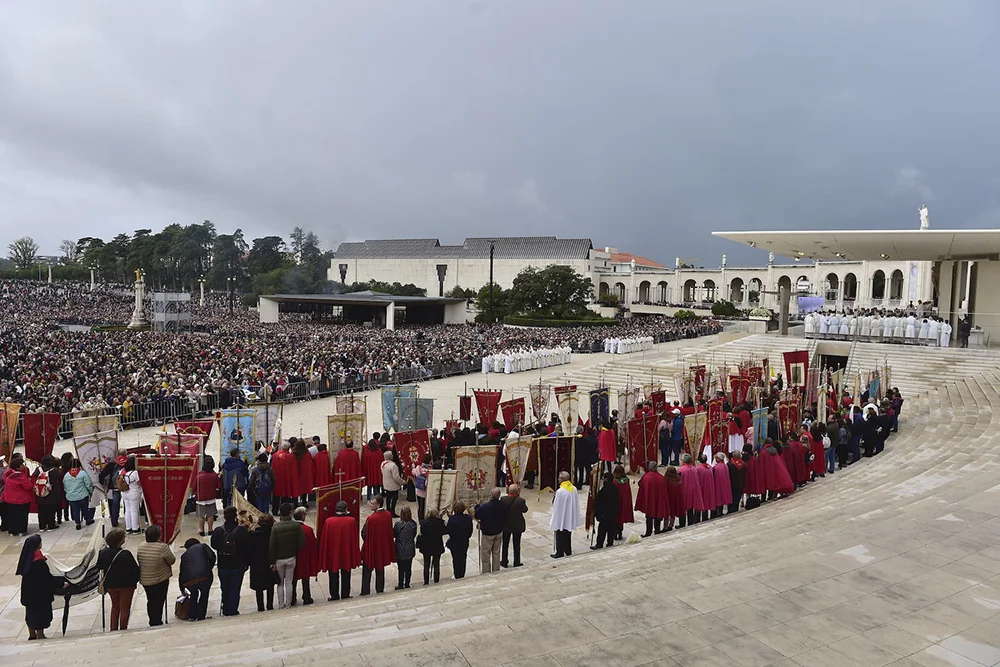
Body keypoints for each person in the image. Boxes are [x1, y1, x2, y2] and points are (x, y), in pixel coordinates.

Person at [17, 535, 62, 640]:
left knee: (31, 615)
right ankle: (40, 635)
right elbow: (46, 579)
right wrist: (61, 583)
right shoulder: (39, 562)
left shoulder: (27, 559)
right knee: (40, 616)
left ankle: (32, 635)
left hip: (29, 594)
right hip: (40, 595)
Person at [96, 528, 140, 631]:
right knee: (125, 607)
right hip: (126, 585)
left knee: (115, 606)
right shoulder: (125, 554)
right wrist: (134, 581)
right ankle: (123, 628)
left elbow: (99, 566)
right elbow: (135, 570)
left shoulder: (103, 553)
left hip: (111, 585)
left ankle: (113, 628)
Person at [210, 505, 250, 617]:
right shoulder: (242, 530)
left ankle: (226, 608)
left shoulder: (218, 531)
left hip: (223, 564)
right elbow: (247, 547)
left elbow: (213, 544)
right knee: (235, 589)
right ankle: (232, 610)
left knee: (225, 588)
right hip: (238, 564)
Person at [319, 500, 361, 600]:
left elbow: (325, 538)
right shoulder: (351, 521)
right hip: (346, 552)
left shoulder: (329, 521)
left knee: (333, 574)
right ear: (346, 510)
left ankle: (334, 595)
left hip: (332, 552)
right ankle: (345, 594)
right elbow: (354, 538)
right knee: (346, 574)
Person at [136, 524, 174, 626]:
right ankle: (157, 621)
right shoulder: (162, 547)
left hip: (146, 579)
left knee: (151, 600)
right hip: (160, 578)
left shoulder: (141, 546)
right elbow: (172, 560)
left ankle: (152, 619)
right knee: (159, 601)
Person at [269, 502, 304, 609]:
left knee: (280, 583)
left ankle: (281, 604)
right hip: (291, 557)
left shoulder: (275, 528)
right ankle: (288, 604)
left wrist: (272, 561)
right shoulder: (296, 525)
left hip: (279, 559)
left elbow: (272, 546)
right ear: (290, 512)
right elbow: (302, 543)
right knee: (289, 582)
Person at [361, 495, 395, 595]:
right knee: (380, 569)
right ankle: (379, 590)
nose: (370, 505)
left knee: (367, 571)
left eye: (372, 503)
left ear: (378, 505)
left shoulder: (371, 518)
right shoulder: (388, 514)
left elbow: (364, 533)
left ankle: (365, 591)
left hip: (371, 547)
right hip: (382, 547)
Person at [179, 537, 215, 621]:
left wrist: (182, 587)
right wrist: (209, 568)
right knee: (204, 595)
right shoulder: (203, 546)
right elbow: (212, 557)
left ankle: (192, 615)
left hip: (190, 580)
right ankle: (201, 615)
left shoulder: (184, 556)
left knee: (193, 595)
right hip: (205, 576)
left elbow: (182, 572)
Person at [474, 487, 507, 573]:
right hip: (498, 531)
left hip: (487, 533)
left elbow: (477, 515)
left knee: (486, 553)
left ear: (491, 496)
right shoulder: (503, 505)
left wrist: (477, 505)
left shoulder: (485, 507)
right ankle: (496, 570)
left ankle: (486, 571)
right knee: (496, 553)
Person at [249, 515, 277, 611]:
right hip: (269, 562)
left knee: (259, 588)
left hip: (256, 563)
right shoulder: (272, 534)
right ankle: (270, 605)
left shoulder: (253, 535)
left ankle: (260, 607)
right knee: (270, 585)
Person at [291, 506, 318, 606]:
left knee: (293, 579)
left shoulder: (291, 529)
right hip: (304, 557)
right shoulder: (308, 530)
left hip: (293, 556)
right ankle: (306, 597)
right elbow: (312, 544)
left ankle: (292, 598)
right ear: (302, 516)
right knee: (305, 579)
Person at [635, 461, 670, 537]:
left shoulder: (646, 477)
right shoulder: (661, 478)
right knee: (658, 515)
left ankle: (648, 532)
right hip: (658, 500)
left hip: (649, 499)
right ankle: (657, 530)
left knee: (649, 517)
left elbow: (640, 484)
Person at [550, 472, 580, 558]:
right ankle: (568, 550)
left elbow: (556, 505)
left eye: (559, 478)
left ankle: (559, 552)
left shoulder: (560, 491)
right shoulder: (573, 488)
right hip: (569, 515)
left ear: (563, 479)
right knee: (567, 534)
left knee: (560, 534)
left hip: (561, 516)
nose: (558, 479)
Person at [2, 457, 34, 536]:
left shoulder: (7, 474)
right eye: (22, 464)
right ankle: (22, 530)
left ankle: (12, 531)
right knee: (22, 515)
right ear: (17, 467)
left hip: (10, 499)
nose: (23, 466)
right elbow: (29, 486)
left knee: (12, 515)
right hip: (21, 499)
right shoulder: (20, 477)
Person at [33, 455, 64, 533]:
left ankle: (42, 526)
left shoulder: (38, 469)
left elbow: (34, 475)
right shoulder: (55, 470)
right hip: (52, 494)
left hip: (40, 493)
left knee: (41, 511)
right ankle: (51, 526)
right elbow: (60, 475)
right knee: (51, 510)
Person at [500, 484, 528, 568]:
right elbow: (525, 510)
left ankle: (504, 561)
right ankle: (517, 562)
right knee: (516, 544)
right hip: (517, 525)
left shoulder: (503, 499)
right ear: (517, 492)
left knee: (505, 544)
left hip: (506, 525)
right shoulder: (521, 501)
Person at [62, 458, 94, 530]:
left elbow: (65, 486)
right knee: (85, 508)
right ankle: (87, 520)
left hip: (71, 496)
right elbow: (88, 484)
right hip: (82, 495)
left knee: (75, 510)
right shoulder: (82, 473)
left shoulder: (66, 475)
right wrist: (90, 491)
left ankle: (77, 523)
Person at [194, 458, 222, 537]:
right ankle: (210, 529)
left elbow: (194, 487)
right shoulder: (214, 475)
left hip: (200, 499)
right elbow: (219, 486)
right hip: (211, 498)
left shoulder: (198, 476)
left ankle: (201, 530)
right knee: (210, 514)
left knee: (201, 515)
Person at [419, 508, 447, 585]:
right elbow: (445, 531)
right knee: (436, 564)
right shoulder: (440, 522)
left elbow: (422, 532)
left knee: (426, 564)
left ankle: (426, 581)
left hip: (426, 546)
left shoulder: (424, 523)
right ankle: (436, 580)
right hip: (437, 546)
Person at [446, 500, 474, 579]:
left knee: (455, 559)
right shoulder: (468, 518)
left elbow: (449, 530)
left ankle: (457, 574)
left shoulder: (452, 519)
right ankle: (462, 573)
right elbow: (470, 531)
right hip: (464, 541)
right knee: (463, 558)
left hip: (454, 542)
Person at [591, 473, 619, 549]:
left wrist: (597, 514)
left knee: (602, 531)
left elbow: (599, 504)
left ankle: (599, 544)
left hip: (605, 515)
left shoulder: (604, 490)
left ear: (606, 479)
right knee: (611, 529)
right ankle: (610, 542)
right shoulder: (615, 488)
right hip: (613, 514)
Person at [393, 505, 417, 590]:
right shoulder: (413, 524)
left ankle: (400, 584)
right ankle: (407, 583)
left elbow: (394, 534)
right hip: (409, 548)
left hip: (400, 548)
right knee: (408, 568)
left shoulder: (398, 524)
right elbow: (414, 534)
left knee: (401, 568)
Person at [98, 454, 124, 528]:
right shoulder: (127, 462)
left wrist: (102, 483)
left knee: (114, 505)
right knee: (129, 506)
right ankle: (128, 522)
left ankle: (114, 520)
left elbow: (101, 475)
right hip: (125, 487)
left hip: (114, 487)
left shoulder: (112, 464)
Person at [121, 455, 144, 535]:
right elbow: (139, 483)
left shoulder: (122, 471)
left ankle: (128, 528)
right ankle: (135, 528)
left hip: (124, 493)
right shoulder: (135, 473)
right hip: (134, 492)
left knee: (127, 510)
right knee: (134, 510)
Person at [612, 464, 634, 541]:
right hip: (624, 502)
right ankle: (620, 533)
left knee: (616, 518)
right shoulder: (626, 480)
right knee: (621, 518)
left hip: (616, 502)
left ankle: (615, 534)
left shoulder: (614, 481)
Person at [380, 451, 404, 517]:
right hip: (393, 485)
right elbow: (396, 477)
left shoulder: (383, 464)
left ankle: (388, 510)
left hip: (386, 483)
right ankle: (392, 511)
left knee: (388, 498)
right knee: (394, 498)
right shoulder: (393, 465)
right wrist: (403, 482)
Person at [412, 454, 431, 522]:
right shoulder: (430, 470)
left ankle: (420, 519)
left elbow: (413, 472)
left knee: (420, 506)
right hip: (426, 491)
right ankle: (425, 519)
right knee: (425, 506)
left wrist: (413, 466)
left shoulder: (418, 468)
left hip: (418, 490)